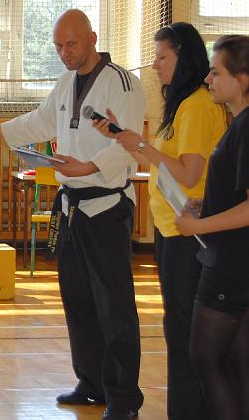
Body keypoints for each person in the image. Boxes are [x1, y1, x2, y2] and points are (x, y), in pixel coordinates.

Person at [0, 9, 147, 420]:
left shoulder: (122, 83)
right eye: (59, 46)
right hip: (71, 206)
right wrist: (0, 131)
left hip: (106, 207)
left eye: (72, 44)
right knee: (78, 299)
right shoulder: (65, 82)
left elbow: (130, 144)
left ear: (93, 38)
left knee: (114, 306)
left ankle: (124, 398)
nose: (65, 52)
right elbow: (43, 120)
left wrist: (88, 167)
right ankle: (91, 383)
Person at [92, 23, 225, 420]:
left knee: (185, 333)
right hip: (171, 231)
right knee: (177, 329)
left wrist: (140, 144)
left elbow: (188, 173)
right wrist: (124, 138)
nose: (154, 65)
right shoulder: (181, 105)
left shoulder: (197, 105)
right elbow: (162, 164)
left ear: (184, 58)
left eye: (162, 57)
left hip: (189, 235)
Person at [174, 34, 249, 420]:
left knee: (205, 356)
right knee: (236, 361)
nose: (207, 79)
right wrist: (209, 203)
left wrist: (199, 224)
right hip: (233, 261)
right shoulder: (238, 123)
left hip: (232, 266)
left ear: (242, 79)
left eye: (216, 72)